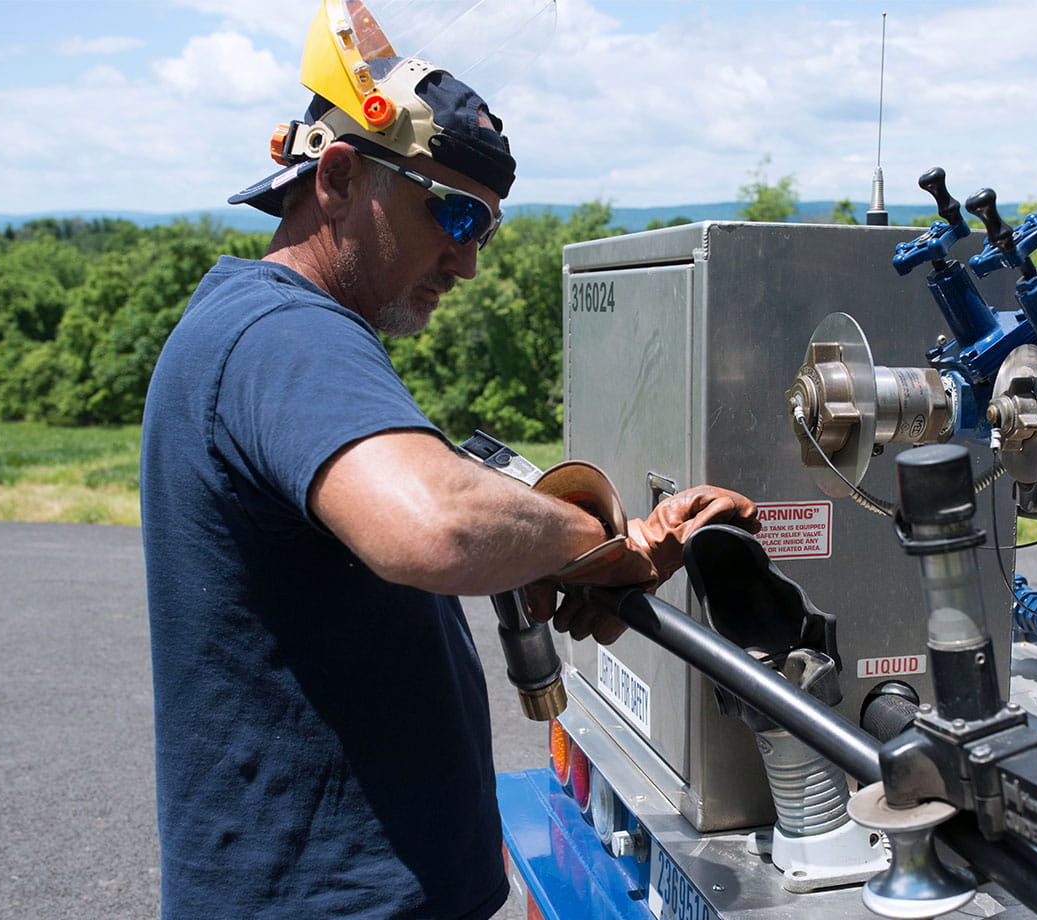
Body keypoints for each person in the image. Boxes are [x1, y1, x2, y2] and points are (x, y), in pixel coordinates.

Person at [140, 53, 758, 920]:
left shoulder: (258, 328)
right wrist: (612, 546)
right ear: (341, 175)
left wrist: (554, 541)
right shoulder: (285, 335)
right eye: (455, 215)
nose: (466, 263)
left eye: (487, 229)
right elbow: (434, 524)